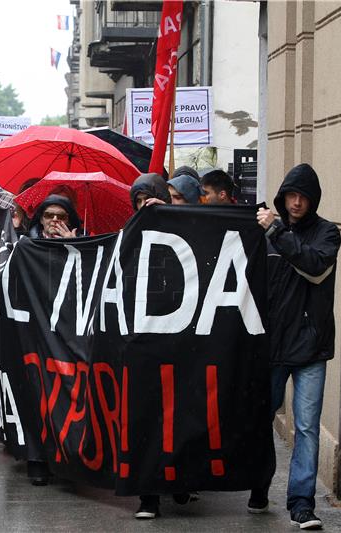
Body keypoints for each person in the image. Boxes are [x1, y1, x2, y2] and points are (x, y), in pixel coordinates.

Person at [253, 163, 340, 530]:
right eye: (291, 195)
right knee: (259, 420)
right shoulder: (267, 232)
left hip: (311, 349)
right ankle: (258, 486)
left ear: (313, 200)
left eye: (303, 196)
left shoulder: (327, 234)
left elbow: (315, 268)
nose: (296, 202)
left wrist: (276, 230)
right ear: (283, 196)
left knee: (306, 428)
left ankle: (301, 504)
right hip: (272, 346)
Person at [127, 174, 198, 519]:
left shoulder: (184, 229)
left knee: (179, 417)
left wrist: (169, 215)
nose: (144, 208)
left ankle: (180, 480)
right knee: (145, 418)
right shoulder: (129, 236)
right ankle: (148, 496)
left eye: (148, 200)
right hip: (144, 342)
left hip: (180, 341)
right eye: (137, 202)